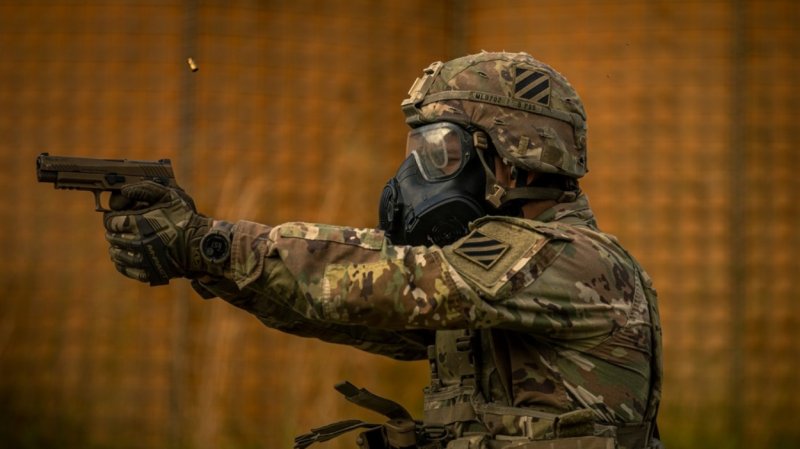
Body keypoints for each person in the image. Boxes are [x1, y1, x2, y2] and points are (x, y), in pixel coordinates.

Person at [103, 52, 663, 449]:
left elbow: (390, 282)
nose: (418, 173)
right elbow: (353, 311)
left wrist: (210, 241)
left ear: (511, 155)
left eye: (441, 151)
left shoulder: (573, 259)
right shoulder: (492, 283)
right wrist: (205, 261)